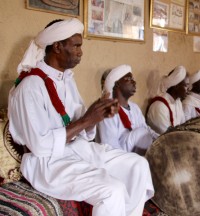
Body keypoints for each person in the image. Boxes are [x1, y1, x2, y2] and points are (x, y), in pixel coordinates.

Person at [8, 18, 154, 216]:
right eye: (76, 45)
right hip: (48, 164)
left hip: (78, 150)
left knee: (139, 166)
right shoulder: (30, 87)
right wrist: (87, 120)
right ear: (57, 46)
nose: (80, 51)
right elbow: (40, 146)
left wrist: (97, 114)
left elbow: (81, 127)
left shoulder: (67, 80)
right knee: (112, 190)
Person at [97, 65, 159, 153]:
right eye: (129, 79)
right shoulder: (107, 110)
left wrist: (161, 138)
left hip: (140, 158)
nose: (134, 82)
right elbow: (110, 148)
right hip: (118, 161)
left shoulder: (135, 108)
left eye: (133, 79)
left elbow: (146, 129)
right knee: (140, 133)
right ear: (117, 84)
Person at [147, 65, 188, 134]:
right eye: (186, 85)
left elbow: (183, 124)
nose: (188, 89)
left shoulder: (178, 102)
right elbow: (167, 135)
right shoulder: (159, 106)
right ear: (176, 85)